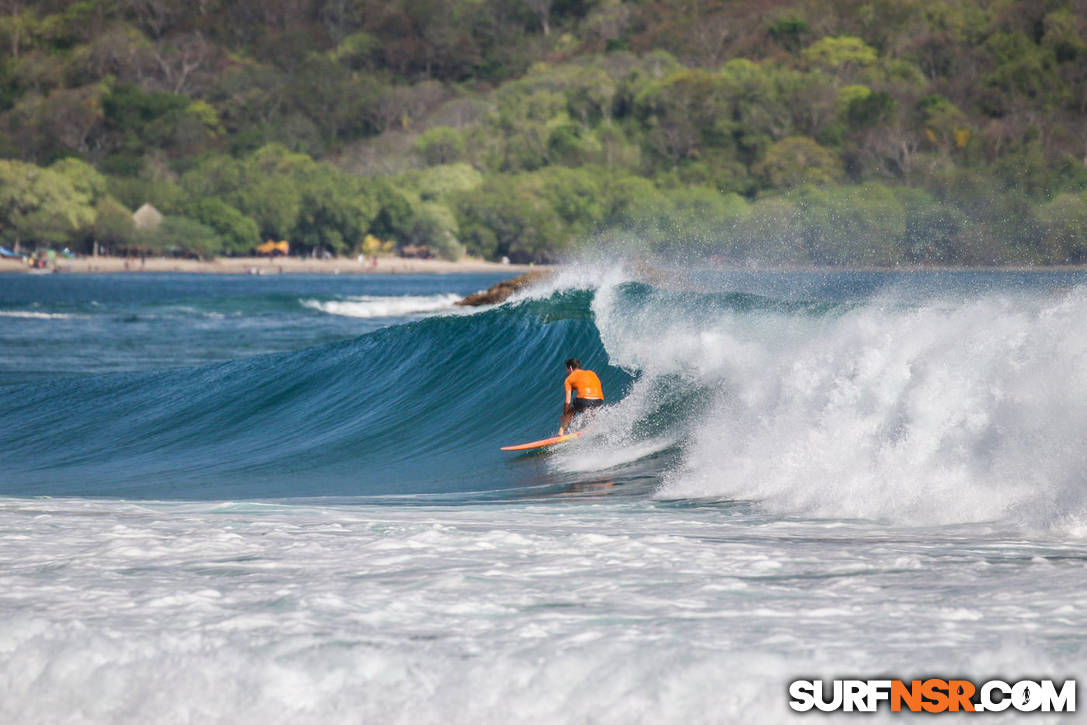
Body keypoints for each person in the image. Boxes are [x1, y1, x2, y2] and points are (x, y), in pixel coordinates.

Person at [559, 358, 604, 435]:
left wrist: (565, 414)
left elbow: (567, 401)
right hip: (599, 401)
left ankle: (561, 430)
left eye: (566, 370)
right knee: (591, 410)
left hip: (584, 401)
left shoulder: (569, 379)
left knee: (572, 409)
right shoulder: (591, 373)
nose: (566, 372)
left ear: (570, 368)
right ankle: (592, 427)